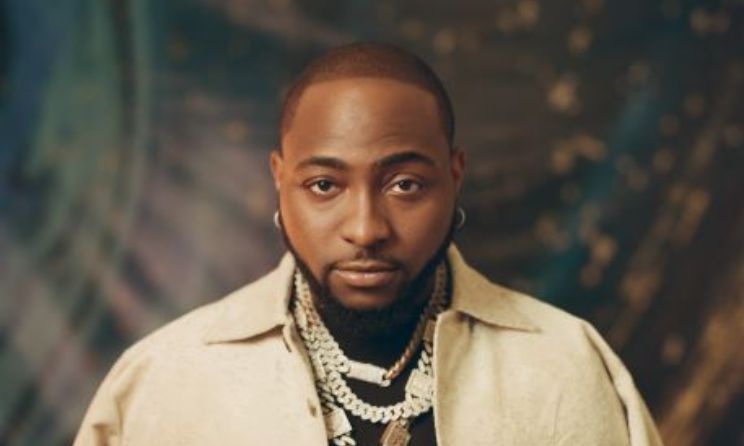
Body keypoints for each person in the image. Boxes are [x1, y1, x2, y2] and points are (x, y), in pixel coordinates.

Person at [74, 42, 663, 446]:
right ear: (279, 180)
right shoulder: (165, 379)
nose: (366, 229)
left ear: (455, 175)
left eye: (405, 185)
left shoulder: (563, 364)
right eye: (324, 185)